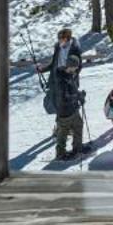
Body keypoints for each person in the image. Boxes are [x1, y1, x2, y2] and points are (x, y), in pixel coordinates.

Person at [37, 28, 85, 160]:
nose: (59, 41)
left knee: (70, 107)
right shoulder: (58, 47)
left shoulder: (75, 48)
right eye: (59, 39)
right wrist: (43, 69)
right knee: (60, 104)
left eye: (62, 39)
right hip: (58, 78)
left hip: (70, 78)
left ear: (68, 38)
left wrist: (72, 74)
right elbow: (54, 63)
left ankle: (64, 131)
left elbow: (78, 65)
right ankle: (62, 130)